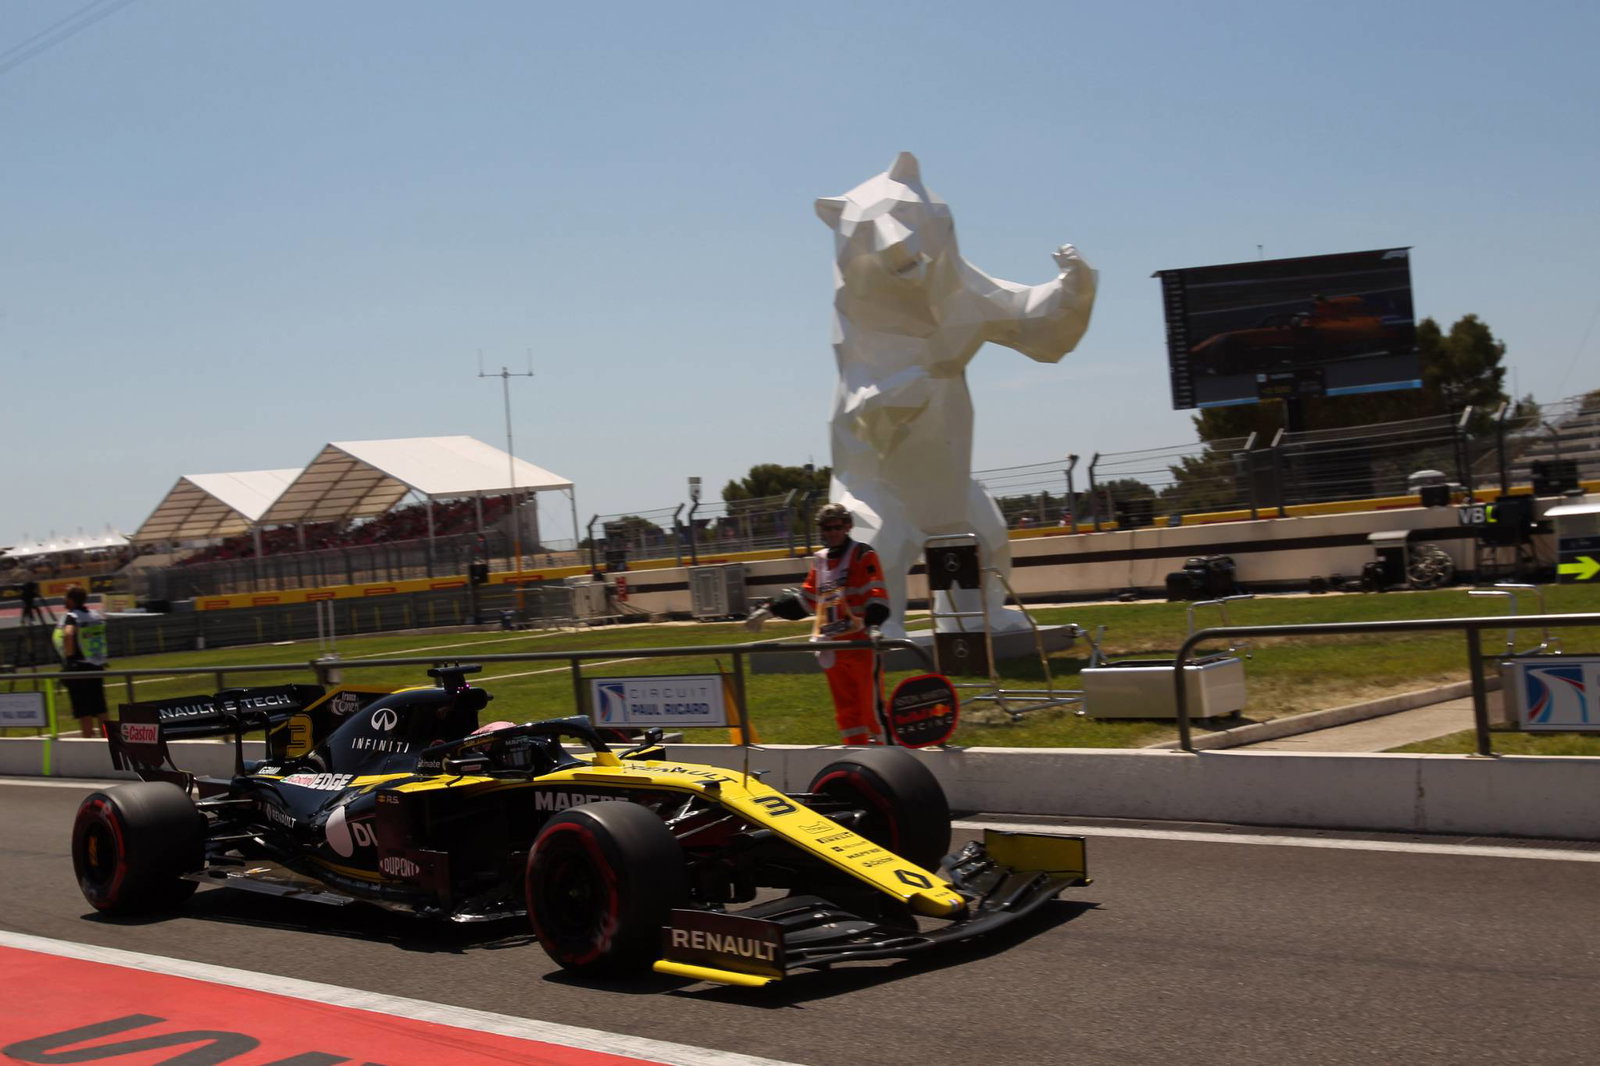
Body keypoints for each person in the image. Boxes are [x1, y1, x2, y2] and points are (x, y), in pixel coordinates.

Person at [746, 504, 890, 744]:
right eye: (827, 528)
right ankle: (856, 755)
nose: (832, 532)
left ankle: (891, 756)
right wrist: (769, 609)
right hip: (832, 649)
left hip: (860, 646)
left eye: (837, 527)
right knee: (846, 715)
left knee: (871, 709)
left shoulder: (862, 555)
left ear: (848, 527)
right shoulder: (821, 561)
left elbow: (876, 593)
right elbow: (806, 601)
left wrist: (874, 625)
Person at [52, 584, 109, 739]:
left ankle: (88, 741)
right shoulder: (95, 615)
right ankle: (110, 741)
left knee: (84, 711)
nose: (64, 600)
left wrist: (69, 659)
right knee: (100, 708)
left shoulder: (72, 616)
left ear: (70, 600)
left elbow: (69, 634)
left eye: (65, 597)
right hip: (96, 664)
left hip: (79, 667)